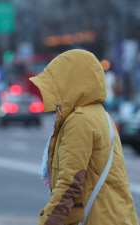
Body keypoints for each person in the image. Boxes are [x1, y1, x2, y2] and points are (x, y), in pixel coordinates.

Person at [29, 49, 138, 225]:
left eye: (56, 83)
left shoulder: (80, 120)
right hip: (114, 216)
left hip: (98, 219)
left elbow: (70, 182)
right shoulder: (99, 114)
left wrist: (47, 222)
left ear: (70, 84)